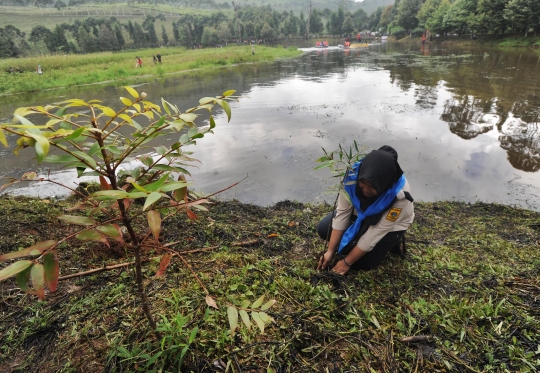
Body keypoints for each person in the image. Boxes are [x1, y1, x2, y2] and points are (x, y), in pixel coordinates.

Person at [317, 146, 415, 274]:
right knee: (324, 229)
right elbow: (343, 213)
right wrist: (330, 251)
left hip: (391, 226)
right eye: (363, 184)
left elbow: (375, 232)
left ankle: (394, 241)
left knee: (362, 263)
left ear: (383, 183)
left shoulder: (401, 195)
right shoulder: (351, 176)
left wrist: (347, 262)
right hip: (360, 214)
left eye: (372, 187)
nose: (366, 190)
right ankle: (356, 236)